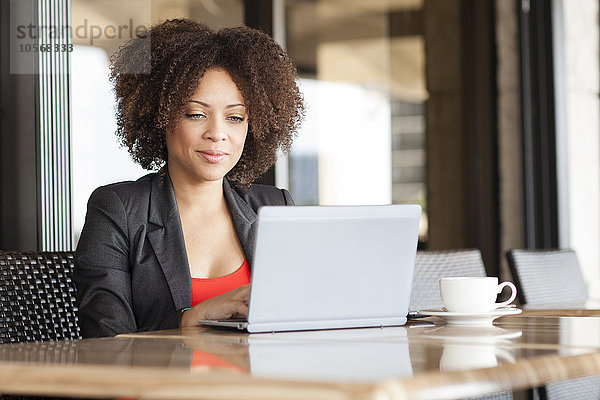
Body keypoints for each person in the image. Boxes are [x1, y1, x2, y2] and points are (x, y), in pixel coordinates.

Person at [73, 19, 304, 338]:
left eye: (235, 118)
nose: (217, 134)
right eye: (196, 114)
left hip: (262, 385)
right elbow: (105, 342)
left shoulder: (275, 207)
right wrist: (189, 320)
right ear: (160, 116)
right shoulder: (118, 210)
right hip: (162, 387)